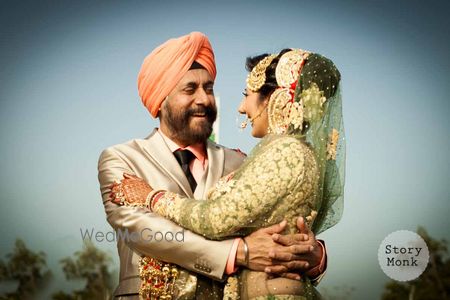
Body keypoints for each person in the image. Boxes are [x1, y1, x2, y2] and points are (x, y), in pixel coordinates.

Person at [99, 32, 328, 299]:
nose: (203, 99)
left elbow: (280, 224)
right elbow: (141, 229)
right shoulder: (122, 158)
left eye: (208, 88)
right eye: (190, 89)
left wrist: (314, 257)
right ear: (160, 100)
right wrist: (241, 253)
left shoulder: (241, 161)